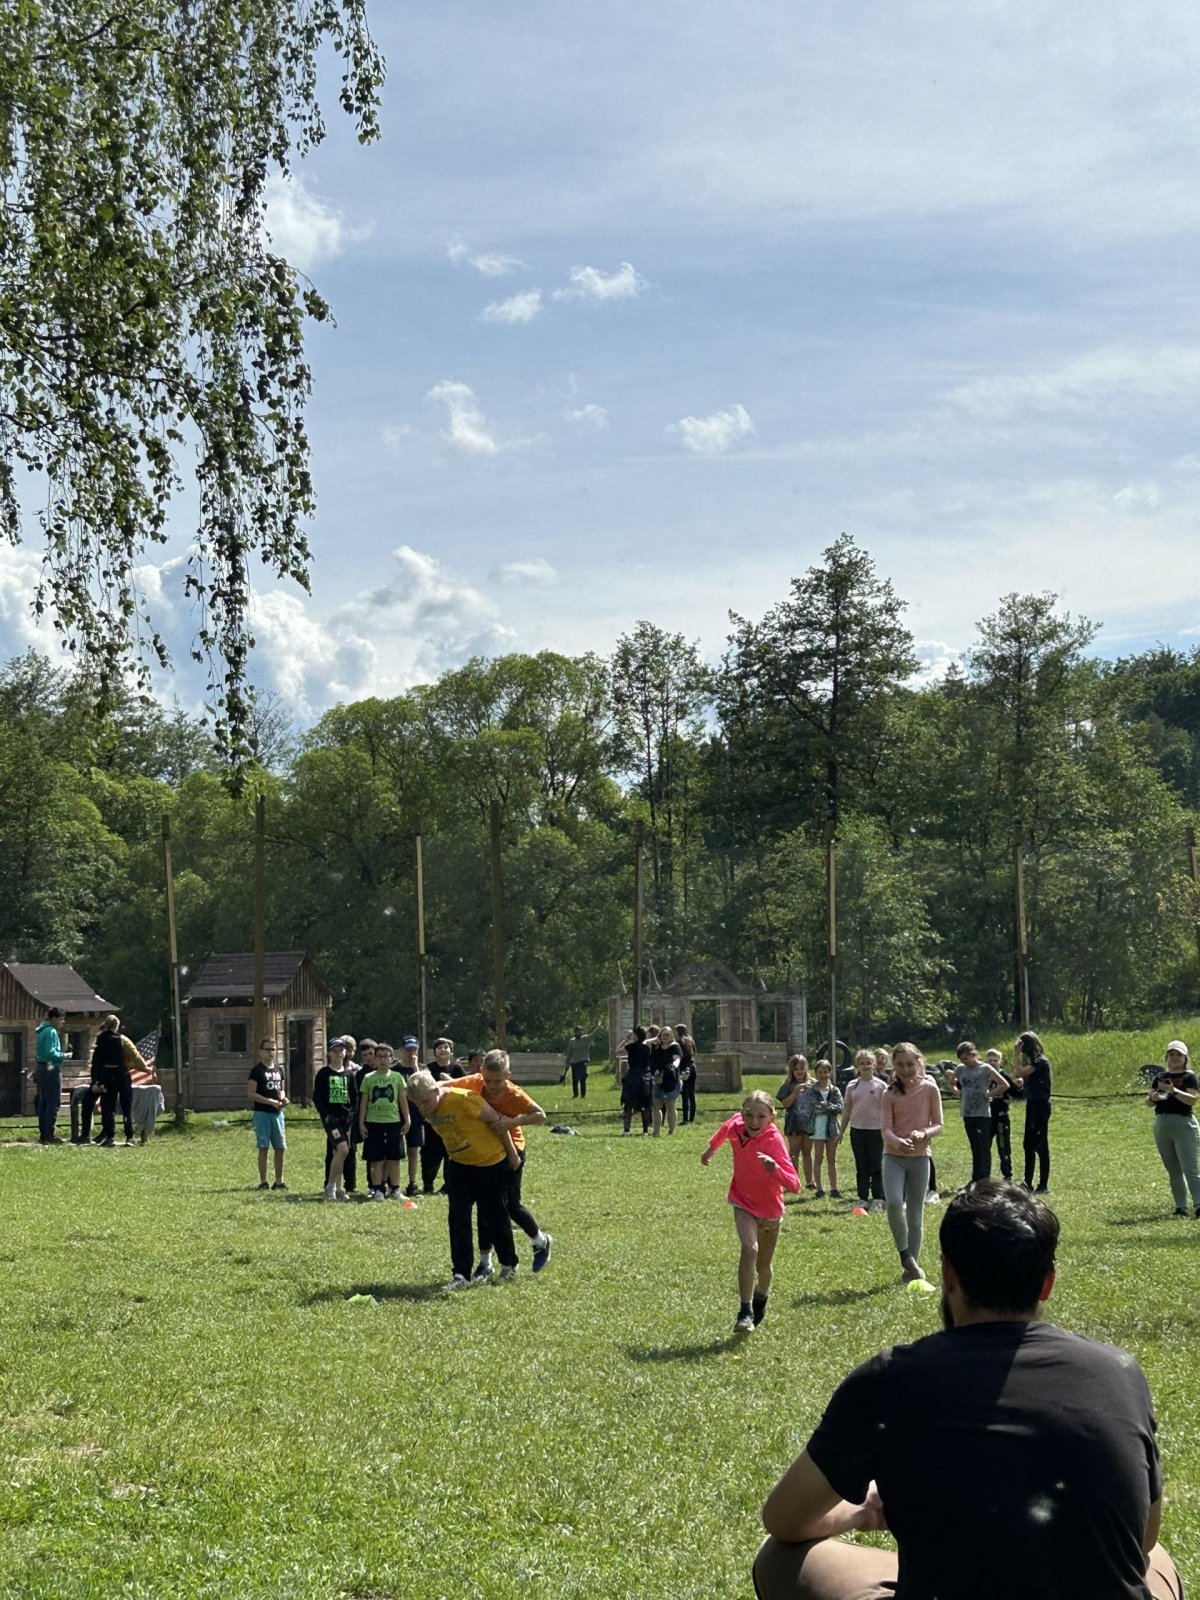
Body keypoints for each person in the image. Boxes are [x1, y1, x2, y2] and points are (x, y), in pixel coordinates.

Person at [753, 1180, 1180, 1600]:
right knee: (1157, 1558)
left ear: (948, 1275)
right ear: (1047, 1283)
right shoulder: (1120, 1373)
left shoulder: (888, 1381)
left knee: (778, 1558)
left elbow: (784, 1519)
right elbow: (1144, 1537)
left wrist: (863, 1510)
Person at [403, 1068, 522, 1291]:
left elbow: (498, 1122)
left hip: (490, 1162)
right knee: (458, 1219)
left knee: (495, 1216)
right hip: (459, 1164)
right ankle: (461, 1274)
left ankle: (509, 1263)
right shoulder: (426, 1107)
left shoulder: (465, 1099)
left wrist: (513, 1154)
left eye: (426, 1101)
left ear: (436, 1090)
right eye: (417, 1104)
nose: (423, 1107)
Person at [702, 1089, 801, 1333]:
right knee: (749, 1248)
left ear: (772, 1118)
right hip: (742, 1201)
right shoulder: (738, 1125)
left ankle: (761, 1296)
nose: (753, 1121)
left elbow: (795, 1185)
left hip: (770, 1211)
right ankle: (745, 1311)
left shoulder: (774, 1141)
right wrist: (710, 1150)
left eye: (761, 1116)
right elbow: (726, 1128)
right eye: (749, 1115)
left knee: (763, 1268)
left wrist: (774, 1168)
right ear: (742, 1113)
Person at [454, 1049, 553, 1278]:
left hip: (512, 1151)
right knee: (485, 1206)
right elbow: (450, 1086)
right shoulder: (476, 1083)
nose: (492, 1086)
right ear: (481, 1072)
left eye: (497, 1081)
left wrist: (511, 1123)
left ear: (508, 1075)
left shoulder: (514, 1094)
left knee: (510, 1205)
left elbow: (540, 1114)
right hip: (486, 1151)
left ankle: (540, 1240)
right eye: (488, 1080)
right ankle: (485, 1262)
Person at [880, 1043, 943, 1282]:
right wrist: (897, 1142)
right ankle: (905, 1256)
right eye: (900, 1065)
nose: (905, 1070)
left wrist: (923, 1133)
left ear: (919, 1063)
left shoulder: (930, 1089)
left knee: (915, 1215)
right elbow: (885, 1129)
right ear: (893, 1066)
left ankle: (912, 1268)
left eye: (910, 1064)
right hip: (893, 1157)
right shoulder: (889, 1093)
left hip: (919, 1158)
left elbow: (939, 1125)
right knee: (895, 1203)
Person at [1147, 1039, 1200, 1218]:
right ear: (1167, 1057)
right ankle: (1180, 1207)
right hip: (1162, 1124)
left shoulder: (1189, 1077)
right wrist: (1153, 1097)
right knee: (1173, 1169)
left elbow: (1192, 1099)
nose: (1175, 1058)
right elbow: (1149, 1101)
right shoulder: (1160, 1077)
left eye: (1179, 1055)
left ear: (1185, 1058)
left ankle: (1198, 1205)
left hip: (1184, 1124)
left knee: (1191, 1168)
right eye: (1171, 1054)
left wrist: (1174, 1091)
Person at [946, 1041, 1009, 1186]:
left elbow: (1004, 1084)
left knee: (983, 1147)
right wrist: (958, 1092)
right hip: (967, 1113)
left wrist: (989, 1094)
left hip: (982, 1113)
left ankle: (985, 1179)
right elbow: (951, 1083)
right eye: (961, 1059)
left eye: (966, 1058)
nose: (964, 1062)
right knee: (974, 1147)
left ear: (973, 1055)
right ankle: (975, 1178)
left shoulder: (985, 1068)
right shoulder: (960, 1069)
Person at [357, 1043, 411, 1199]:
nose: (382, 1060)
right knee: (376, 1159)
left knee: (394, 1158)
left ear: (392, 1059)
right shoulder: (368, 1078)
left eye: (385, 1056)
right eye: (379, 1057)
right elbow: (364, 1103)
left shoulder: (397, 1077)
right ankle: (377, 1189)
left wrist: (407, 1119)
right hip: (373, 1122)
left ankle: (395, 1189)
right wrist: (361, 1123)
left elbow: (402, 1100)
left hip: (393, 1122)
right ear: (375, 1058)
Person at [313, 1037, 357, 1201]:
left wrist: (352, 1114)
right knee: (343, 1149)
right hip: (331, 1120)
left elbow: (354, 1098)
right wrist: (325, 1115)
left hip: (346, 1119)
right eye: (335, 1051)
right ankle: (330, 1187)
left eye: (341, 1050)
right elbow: (317, 1098)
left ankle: (339, 1188)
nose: (338, 1053)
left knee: (339, 1152)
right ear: (329, 1053)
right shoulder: (324, 1074)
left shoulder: (349, 1075)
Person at [841, 1051, 885, 1211]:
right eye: (862, 1063)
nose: (866, 1066)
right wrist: (841, 1131)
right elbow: (847, 1110)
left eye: (868, 1063)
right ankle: (862, 1198)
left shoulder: (881, 1086)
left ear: (874, 1065)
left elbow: (888, 1110)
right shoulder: (852, 1086)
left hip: (876, 1131)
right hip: (857, 1131)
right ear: (857, 1066)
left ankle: (878, 1198)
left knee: (877, 1165)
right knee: (861, 1166)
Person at [246, 1037, 288, 1189]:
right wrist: (270, 1102)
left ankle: (279, 1181)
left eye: (273, 1049)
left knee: (280, 1147)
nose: (271, 1052)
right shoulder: (257, 1071)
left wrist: (283, 1099)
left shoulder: (279, 1070)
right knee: (264, 1147)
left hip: (278, 1113)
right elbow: (251, 1094)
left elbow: (281, 1089)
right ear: (261, 1051)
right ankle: (263, 1181)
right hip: (262, 1113)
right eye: (267, 1049)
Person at [1013, 1029, 1053, 1193]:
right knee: (1028, 1144)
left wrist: (1015, 1056)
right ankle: (1027, 1182)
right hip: (1032, 1104)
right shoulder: (1033, 1060)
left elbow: (1019, 1072)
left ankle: (1043, 1184)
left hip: (1041, 1106)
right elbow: (1019, 1074)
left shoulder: (1040, 1061)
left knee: (1040, 1144)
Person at [89, 1014, 136, 1148]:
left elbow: (96, 1062)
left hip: (107, 1075)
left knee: (108, 1107)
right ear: (117, 1026)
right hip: (122, 1074)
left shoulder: (100, 1040)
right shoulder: (122, 1040)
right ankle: (129, 1136)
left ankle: (110, 1136)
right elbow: (134, 1056)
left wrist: (96, 1080)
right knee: (126, 1106)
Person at [777, 1055, 816, 1191]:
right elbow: (785, 1104)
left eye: (801, 1068)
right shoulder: (787, 1086)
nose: (799, 1071)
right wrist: (795, 1092)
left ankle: (810, 1181)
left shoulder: (813, 1084)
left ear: (806, 1069)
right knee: (794, 1152)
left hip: (809, 1123)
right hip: (794, 1123)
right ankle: (793, 1181)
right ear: (791, 1070)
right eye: (796, 1069)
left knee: (807, 1152)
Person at [395, 1035, 425, 1196]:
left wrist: (415, 1068)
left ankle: (412, 1183)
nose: (411, 1053)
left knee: (414, 1151)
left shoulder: (422, 1070)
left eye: (414, 1049)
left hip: (416, 1116)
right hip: (397, 1115)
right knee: (396, 1152)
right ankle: (393, 1183)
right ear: (401, 1050)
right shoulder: (394, 1070)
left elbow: (424, 1087)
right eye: (408, 1050)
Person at [810, 1060, 843, 1199]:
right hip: (817, 1129)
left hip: (832, 1129)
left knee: (831, 1159)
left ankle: (834, 1188)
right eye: (820, 1072)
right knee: (818, 1158)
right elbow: (811, 1108)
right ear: (816, 1073)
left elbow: (840, 1108)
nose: (823, 1075)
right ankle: (819, 1188)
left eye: (826, 1072)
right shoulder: (812, 1090)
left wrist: (826, 1106)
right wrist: (827, 1108)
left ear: (830, 1073)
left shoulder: (835, 1090)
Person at [34, 1006, 67, 1144]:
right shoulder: (51, 1031)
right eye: (61, 1019)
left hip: (41, 1067)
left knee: (44, 1101)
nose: (62, 1022)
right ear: (54, 1018)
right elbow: (50, 1053)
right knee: (53, 1101)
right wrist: (64, 1055)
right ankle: (49, 1134)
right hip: (51, 1067)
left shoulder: (41, 1030)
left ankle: (43, 1134)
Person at [985, 1047, 1019, 1181]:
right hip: (986, 1116)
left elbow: (1017, 1093)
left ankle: (1007, 1174)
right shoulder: (983, 1076)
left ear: (1000, 1062)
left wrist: (1020, 1085)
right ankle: (983, 1175)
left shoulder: (1004, 1077)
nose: (992, 1063)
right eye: (989, 1060)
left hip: (1001, 1116)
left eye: (995, 1060)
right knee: (984, 1146)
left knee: (1003, 1146)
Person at [649, 1024, 683, 1137]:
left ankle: (671, 1131)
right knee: (656, 1105)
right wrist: (653, 1072)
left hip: (671, 1079)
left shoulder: (675, 1046)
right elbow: (651, 1059)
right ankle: (656, 1131)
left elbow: (677, 1059)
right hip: (658, 1079)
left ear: (671, 1036)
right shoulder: (656, 1047)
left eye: (667, 1035)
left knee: (670, 1105)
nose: (665, 1037)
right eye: (663, 1035)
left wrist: (673, 1065)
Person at [619, 1025, 653, 1136]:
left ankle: (626, 1130)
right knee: (645, 1105)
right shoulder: (647, 1049)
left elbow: (618, 1050)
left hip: (633, 1076)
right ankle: (645, 1131)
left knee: (628, 1104)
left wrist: (626, 1039)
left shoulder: (631, 1047)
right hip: (645, 1077)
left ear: (635, 1035)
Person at [676, 1022, 698, 1125]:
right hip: (692, 1067)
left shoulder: (679, 1041)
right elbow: (695, 1052)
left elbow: (679, 1056)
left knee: (684, 1093)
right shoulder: (691, 1040)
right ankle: (692, 1118)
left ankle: (685, 1118)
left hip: (684, 1068)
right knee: (691, 1093)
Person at [565, 1026, 592, 1098]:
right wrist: (567, 1063)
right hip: (574, 1063)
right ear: (575, 1032)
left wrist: (598, 1028)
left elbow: (593, 1035)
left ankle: (583, 1094)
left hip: (583, 1062)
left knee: (583, 1079)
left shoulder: (585, 1039)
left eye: (581, 1031)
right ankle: (575, 1094)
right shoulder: (572, 1041)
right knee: (575, 1080)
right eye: (578, 1031)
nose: (580, 1032)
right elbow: (569, 1053)